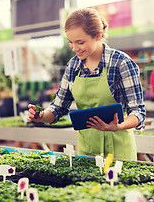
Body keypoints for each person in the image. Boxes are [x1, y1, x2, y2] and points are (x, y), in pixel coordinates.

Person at [28, 8, 146, 160]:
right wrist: (42, 116)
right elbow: (58, 107)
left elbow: (138, 112)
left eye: (80, 42)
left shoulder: (121, 63)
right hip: (87, 151)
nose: (74, 48)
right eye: (70, 42)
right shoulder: (73, 66)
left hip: (119, 150)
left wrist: (119, 126)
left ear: (98, 36)